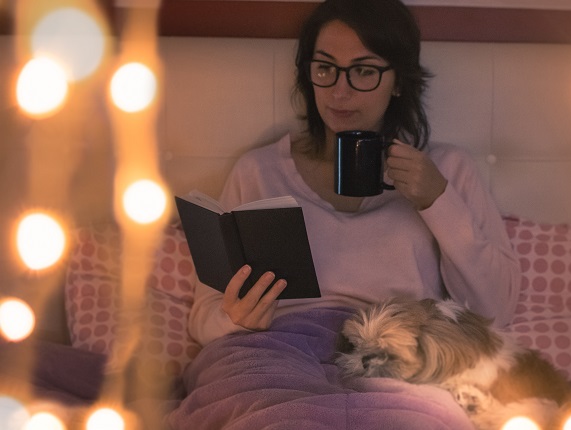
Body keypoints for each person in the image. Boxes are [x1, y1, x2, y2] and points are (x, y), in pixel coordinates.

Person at [187, 0, 520, 347]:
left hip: (396, 354)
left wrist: (437, 201)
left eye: (363, 71)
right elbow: (203, 318)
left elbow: (496, 311)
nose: (339, 91)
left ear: (398, 82)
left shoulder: (447, 170)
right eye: (325, 68)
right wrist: (235, 320)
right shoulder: (259, 171)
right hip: (276, 352)